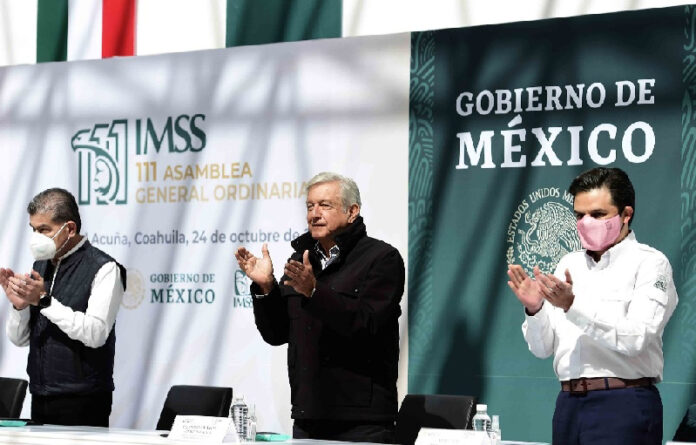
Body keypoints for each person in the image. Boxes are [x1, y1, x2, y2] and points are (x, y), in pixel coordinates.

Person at [507, 167, 678, 445]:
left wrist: (572, 305)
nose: (586, 222)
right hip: (568, 404)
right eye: (579, 215)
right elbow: (542, 349)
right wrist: (535, 309)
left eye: (598, 214)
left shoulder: (650, 263)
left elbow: (636, 338)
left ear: (626, 214)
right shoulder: (568, 264)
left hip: (623, 404)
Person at [235, 172, 404, 443]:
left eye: (325, 205)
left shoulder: (382, 259)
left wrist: (314, 292)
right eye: (310, 206)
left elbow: (366, 324)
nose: (314, 214)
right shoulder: (300, 260)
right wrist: (266, 288)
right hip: (308, 417)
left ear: (352, 212)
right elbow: (277, 334)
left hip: (362, 421)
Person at [0, 188, 126, 426]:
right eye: (33, 229)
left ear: (69, 229)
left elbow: (96, 334)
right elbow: (19, 339)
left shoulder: (105, 268)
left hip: (85, 400)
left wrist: (45, 301)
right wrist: (20, 308)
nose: (36, 236)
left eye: (44, 229)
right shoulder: (41, 264)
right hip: (40, 395)